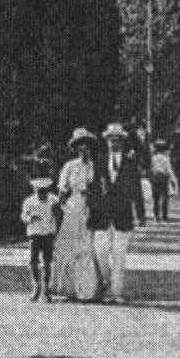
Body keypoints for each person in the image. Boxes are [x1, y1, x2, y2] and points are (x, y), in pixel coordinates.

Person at [91, 123, 146, 304]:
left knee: (119, 255)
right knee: (100, 252)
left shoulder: (130, 162)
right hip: (102, 214)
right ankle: (106, 282)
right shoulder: (99, 161)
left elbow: (137, 188)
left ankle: (116, 292)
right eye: (111, 140)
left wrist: (140, 213)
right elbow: (94, 188)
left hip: (123, 214)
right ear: (106, 141)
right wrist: (91, 210)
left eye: (117, 140)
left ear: (122, 142)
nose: (114, 143)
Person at [51, 128, 102, 302]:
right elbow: (62, 189)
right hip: (73, 206)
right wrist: (59, 207)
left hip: (90, 206)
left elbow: (101, 188)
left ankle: (86, 290)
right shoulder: (70, 166)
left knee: (87, 246)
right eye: (80, 146)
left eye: (87, 146)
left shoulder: (96, 166)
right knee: (68, 245)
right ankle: (68, 288)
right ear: (76, 148)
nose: (84, 149)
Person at [21, 177, 60, 302]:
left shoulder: (53, 200)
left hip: (48, 234)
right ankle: (36, 287)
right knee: (33, 261)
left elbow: (59, 215)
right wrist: (30, 218)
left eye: (44, 191)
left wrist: (57, 211)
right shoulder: (29, 201)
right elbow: (23, 216)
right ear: (35, 190)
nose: (42, 194)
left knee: (47, 262)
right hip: (34, 234)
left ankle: (46, 289)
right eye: (39, 192)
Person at [150, 139, 177, 222]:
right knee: (165, 197)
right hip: (163, 177)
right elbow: (169, 169)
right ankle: (164, 216)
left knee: (156, 198)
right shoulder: (165, 158)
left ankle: (156, 216)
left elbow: (150, 168)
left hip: (155, 177)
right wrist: (173, 180)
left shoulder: (152, 158)